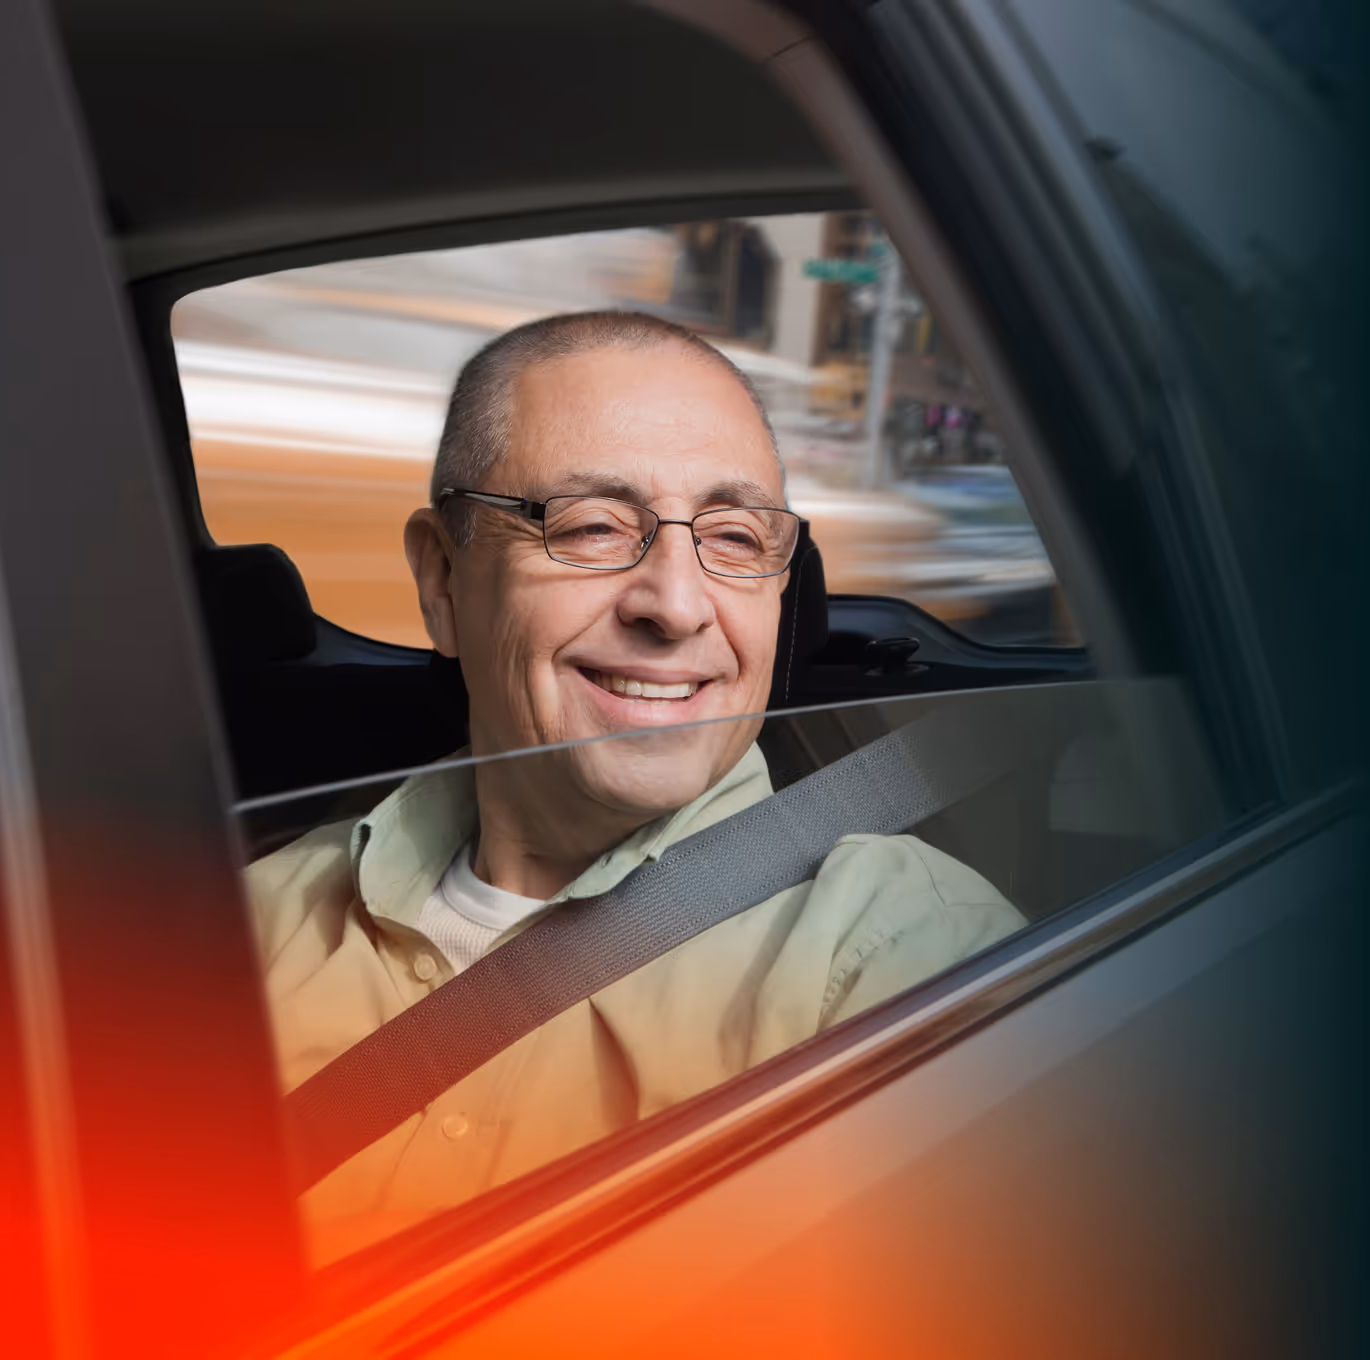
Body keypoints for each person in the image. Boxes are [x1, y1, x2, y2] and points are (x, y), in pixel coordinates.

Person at [248, 311, 1023, 1264]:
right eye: (592, 526)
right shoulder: (243, 932)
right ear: (443, 580)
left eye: (735, 538)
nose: (678, 604)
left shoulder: (894, 956)